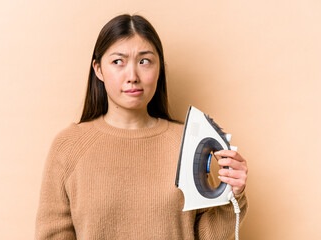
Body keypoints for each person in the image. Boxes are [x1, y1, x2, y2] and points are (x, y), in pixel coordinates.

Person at [35, 14, 248, 240]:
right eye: (118, 61)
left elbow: (210, 236)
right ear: (98, 69)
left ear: (159, 68)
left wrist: (232, 195)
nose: (132, 76)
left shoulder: (185, 143)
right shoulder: (69, 145)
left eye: (144, 61)